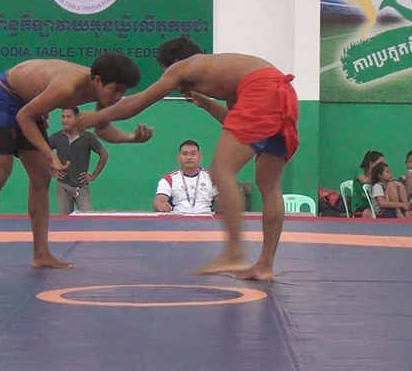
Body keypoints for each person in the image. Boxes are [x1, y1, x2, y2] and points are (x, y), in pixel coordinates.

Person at [77, 37, 299, 281]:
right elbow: (240, 124)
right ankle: (264, 266)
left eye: (165, 73)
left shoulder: (183, 66)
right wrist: (206, 104)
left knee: (221, 171)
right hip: (284, 95)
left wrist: (99, 117)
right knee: (269, 186)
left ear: (174, 63)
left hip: (263, 91)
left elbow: (139, 101)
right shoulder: (229, 78)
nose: (172, 84)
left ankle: (235, 252)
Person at [0, 54, 152, 272]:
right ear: (98, 81)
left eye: (123, 91)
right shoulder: (67, 86)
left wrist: (131, 138)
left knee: (41, 177)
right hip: (4, 97)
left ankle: (41, 253)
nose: (118, 97)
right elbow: (23, 117)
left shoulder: (102, 89)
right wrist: (50, 155)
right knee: (0, 173)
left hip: (28, 105)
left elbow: (103, 129)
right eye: (115, 90)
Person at [49, 106, 109, 215]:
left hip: (81, 187)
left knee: (87, 219)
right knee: (63, 221)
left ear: (77, 118)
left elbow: (104, 155)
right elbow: (42, 153)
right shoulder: (56, 137)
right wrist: (52, 171)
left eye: (68, 117)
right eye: (63, 117)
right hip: (63, 186)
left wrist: (93, 175)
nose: (65, 120)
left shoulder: (88, 137)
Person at [154, 139, 217, 214]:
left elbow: (222, 201)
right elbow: (159, 202)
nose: (189, 157)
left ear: (200, 157)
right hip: (178, 219)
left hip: (207, 218)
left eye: (193, 154)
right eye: (185, 154)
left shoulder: (213, 177)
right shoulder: (169, 179)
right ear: (179, 158)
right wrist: (161, 205)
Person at [352, 151, 385, 217]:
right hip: (360, 206)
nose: (382, 166)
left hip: (375, 206)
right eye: (380, 163)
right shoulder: (360, 171)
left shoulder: (379, 175)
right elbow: (364, 180)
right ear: (371, 164)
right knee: (369, 214)